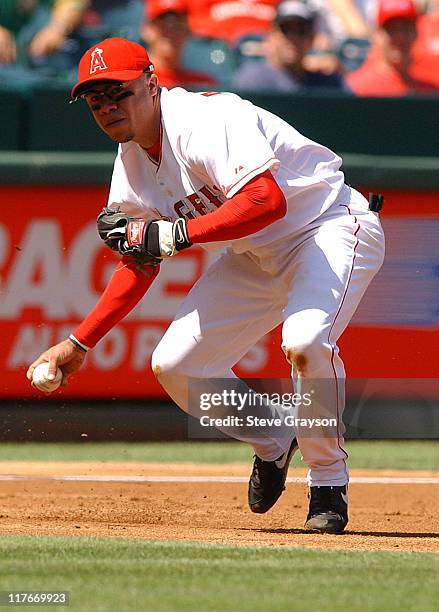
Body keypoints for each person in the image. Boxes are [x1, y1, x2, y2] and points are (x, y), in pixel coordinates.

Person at [26, 36, 385, 533]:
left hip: (328, 226)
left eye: (119, 92)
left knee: (305, 342)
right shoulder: (131, 163)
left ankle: (328, 480)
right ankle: (274, 435)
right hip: (254, 254)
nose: (108, 107)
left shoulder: (203, 121)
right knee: (176, 365)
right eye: (95, 100)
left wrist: (175, 233)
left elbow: (266, 199)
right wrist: (80, 341)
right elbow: (140, 261)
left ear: (151, 85)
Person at [232, 0, 349, 92]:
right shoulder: (253, 82)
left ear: (312, 39)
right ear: (271, 35)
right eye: (286, 30)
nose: (293, 38)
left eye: (301, 31)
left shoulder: (326, 85)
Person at [347, 0, 439, 96]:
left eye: (406, 29)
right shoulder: (358, 88)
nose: (400, 38)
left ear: (416, 32)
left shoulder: (429, 91)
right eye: (391, 29)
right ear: (377, 35)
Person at [140, 0, 217, 89]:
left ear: (188, 30)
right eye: (162, 22)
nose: (171, 30)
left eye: (179, 22)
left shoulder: (203, 84)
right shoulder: (136, 81)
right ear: (147, 29)